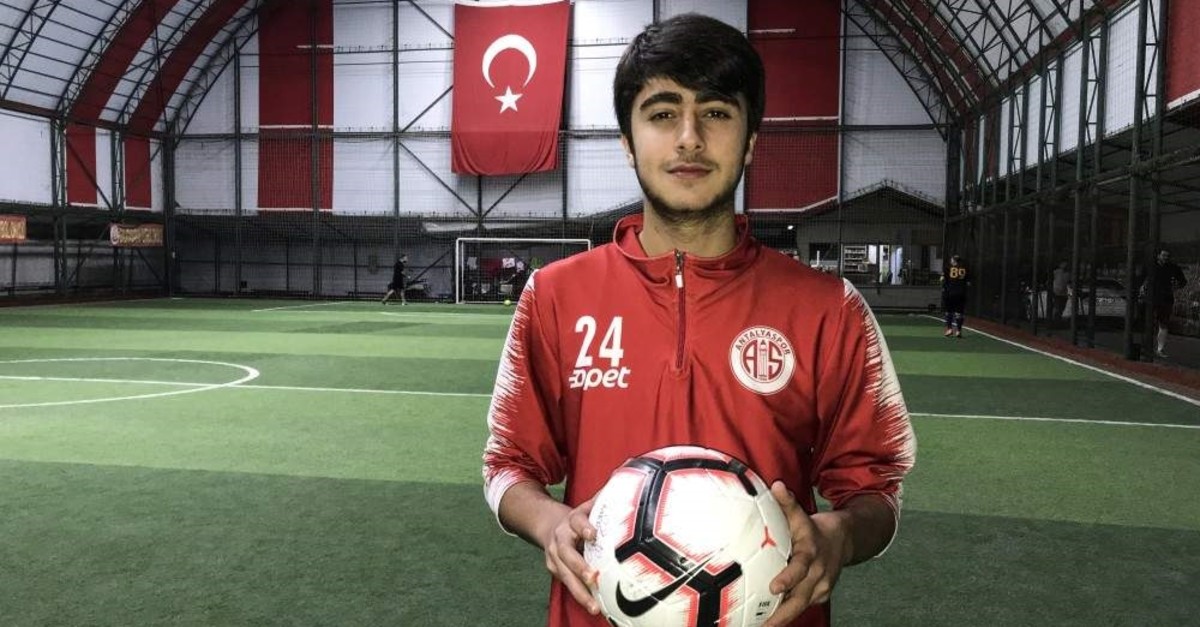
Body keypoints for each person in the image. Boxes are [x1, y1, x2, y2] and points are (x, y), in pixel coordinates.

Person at [481, 14, 916, 627]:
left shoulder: (829, 308)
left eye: (715, 112)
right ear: (628, 141)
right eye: (662, 114)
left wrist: (839, 534)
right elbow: (507, 466)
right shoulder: (554, 296)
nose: (689, 138)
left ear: (751, 139)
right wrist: (550, 522)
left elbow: (877, 487)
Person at [1145, 249, 1188, 358]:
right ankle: (1147, 347)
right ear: (1158, 255)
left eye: (1167, 256)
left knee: (1163, 323)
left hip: (1166, 299)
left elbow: (1183, 281)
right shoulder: (1151, 266)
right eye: (1163, 255)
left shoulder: (1173, 267)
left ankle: (1160, 349)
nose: (1165, 258)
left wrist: (1175, 287)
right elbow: (1142, 278)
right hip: (1151, 298)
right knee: (1149, 322)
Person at [941, 254, 968, 337]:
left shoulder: (948, 268)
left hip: (950, 293)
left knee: (949, 311)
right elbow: (968, 282)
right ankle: (959, 331)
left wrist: (944, 286)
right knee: (959, 312)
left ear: (954, 261)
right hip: (961, 293)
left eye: (951, 260)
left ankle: (949, 329)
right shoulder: (965, 269)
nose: (950, 261)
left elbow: (942, 279)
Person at [1051, 260, 1071, 326]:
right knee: (1057, 307)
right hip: (1056, 292)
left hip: (1063, 293)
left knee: (1061, 307)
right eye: (1063, 264)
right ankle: (1054, 320)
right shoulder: (1056, 272)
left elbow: (1068, 282)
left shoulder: (1068, 274)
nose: (1065, 265)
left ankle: (1057, 320)